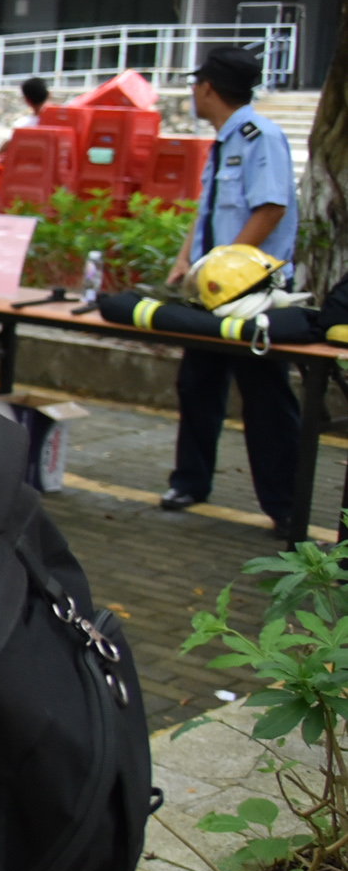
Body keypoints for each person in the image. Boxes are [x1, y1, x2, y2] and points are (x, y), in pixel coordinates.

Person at [161, 45, 300, 522]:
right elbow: (208, 212)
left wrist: (226, 267)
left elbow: (271, 208)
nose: (193, 93)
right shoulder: (224, 142)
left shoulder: (262, 137)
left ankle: (286, 506)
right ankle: (189, 482)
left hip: (251, 294)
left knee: (265, 397)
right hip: (212, 292)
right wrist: (185, 260)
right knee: (197, 385)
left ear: (207, 88)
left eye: (194, 85)